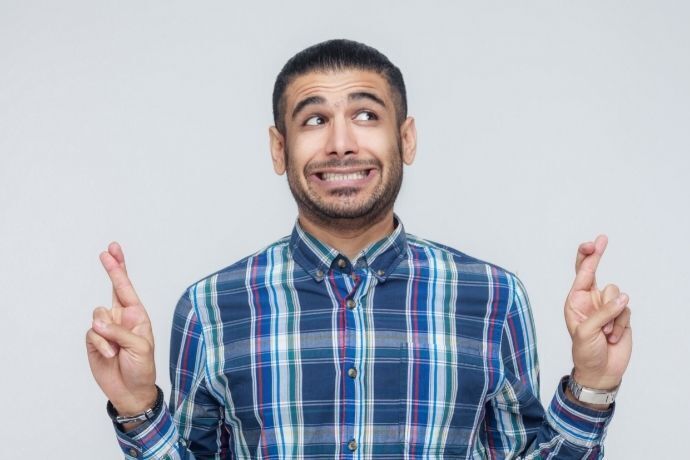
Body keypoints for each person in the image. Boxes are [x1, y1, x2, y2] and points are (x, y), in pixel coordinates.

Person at [86, 39, 632, 459]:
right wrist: (138, 409)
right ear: (279, 148)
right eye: (314, 119)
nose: (342, 142)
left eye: (366, 115)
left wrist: (592, 388)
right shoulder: (209, 309)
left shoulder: (490, 297)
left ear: (407, 139)